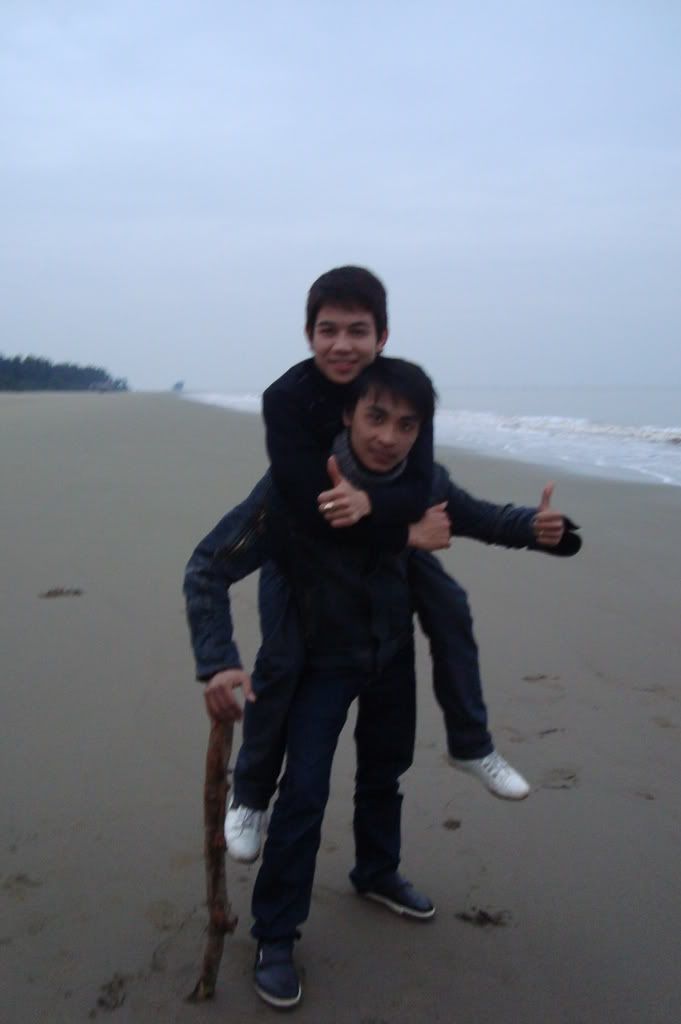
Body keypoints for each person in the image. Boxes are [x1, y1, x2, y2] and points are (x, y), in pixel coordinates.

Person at [184, 358, 580, 1008]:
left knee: (384, 771)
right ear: (348, 414)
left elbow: (477, 517)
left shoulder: (422, 481)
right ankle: (275, 935)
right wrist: (218, 657)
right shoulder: (293, 486)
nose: (388, 437)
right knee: (304, 795)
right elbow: (208, 566)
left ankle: (375, 871)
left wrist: (539, 532)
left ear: (420, 431)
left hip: (389, 654)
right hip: (319, 664)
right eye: (375, 417)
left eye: (405, 424)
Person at [186, 266, 573, 864]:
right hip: (303, 550)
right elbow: (296, 511)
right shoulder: (288, 400)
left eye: (358, 331)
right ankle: (253, 794)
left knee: (448, 605)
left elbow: (437, 494)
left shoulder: (402, 396)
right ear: (310, 336)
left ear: (382, 337)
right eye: (328, 330)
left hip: (380, 608)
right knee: (280, 665)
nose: (343, 345)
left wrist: (541, 531)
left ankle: (469, 746)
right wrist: (404, 533)